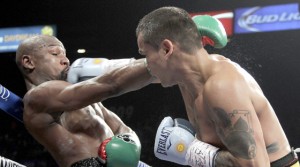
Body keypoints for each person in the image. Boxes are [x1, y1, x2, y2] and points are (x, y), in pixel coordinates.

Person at [136, 6, 299, 167]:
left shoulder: (222, 88)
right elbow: (119, 81)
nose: (147, 65)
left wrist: (191, 151)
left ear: (166, 49)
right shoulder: (185, 79)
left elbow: (257, 166)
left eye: (145, 55)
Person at [15, 34, 154, 167]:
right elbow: (111, 85)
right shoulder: (37, 97)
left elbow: (123, 129)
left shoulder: (86, 99)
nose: (66, 60)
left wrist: (127, 146)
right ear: (29, 62)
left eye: (65, 54)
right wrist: (157, 62)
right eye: (55, 54)